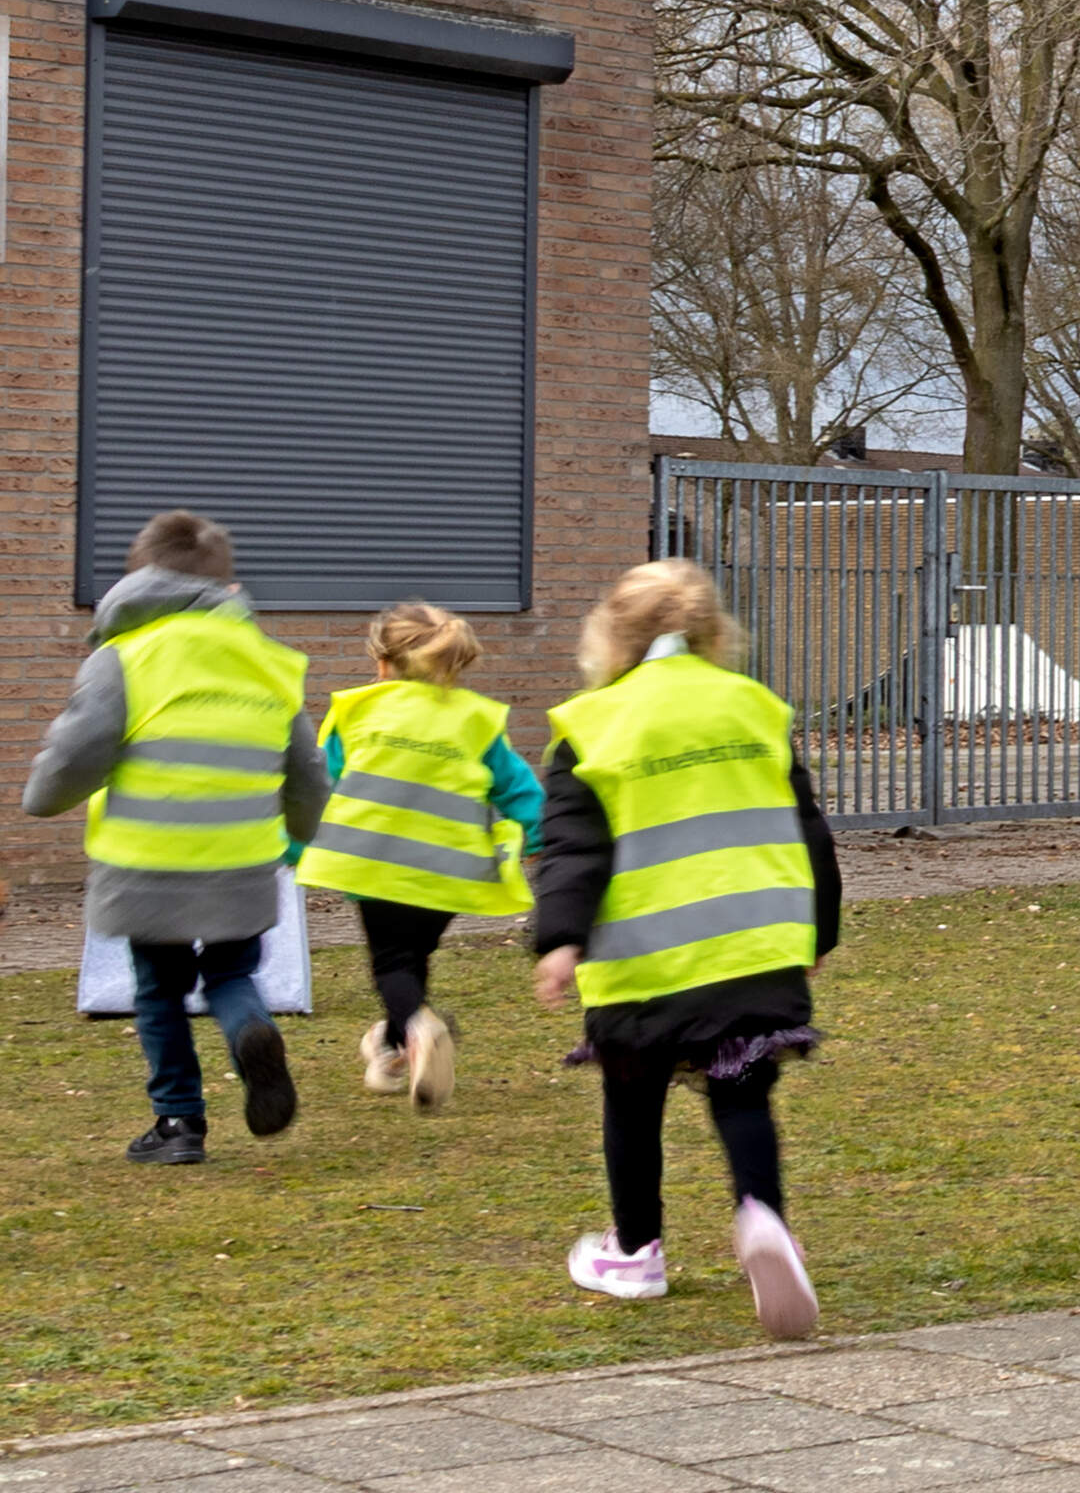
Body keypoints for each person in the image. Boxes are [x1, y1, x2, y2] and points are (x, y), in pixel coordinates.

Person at [529, 560, 839, 1339]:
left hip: (644, 955)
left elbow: (572, 849)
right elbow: (808, 829)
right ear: (712, 633)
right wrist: (818, 928)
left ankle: (635, 1252)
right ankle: (763, 1219)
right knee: (743, 1093)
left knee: (632, 1104)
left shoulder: (594, 723)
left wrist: (560, 940)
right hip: (753, 942)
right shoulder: (754, 707)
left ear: (610, 635)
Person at [24, 511, 322, 1166]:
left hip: (147, 860)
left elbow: (76, 755)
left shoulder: (124, 658)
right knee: (232, 972)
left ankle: (178, 1123)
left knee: (158, 991)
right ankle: (251, 1029)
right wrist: (305, 831)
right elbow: (305, 772)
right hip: (242, 857)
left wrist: (41, 797)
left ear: (140, 580)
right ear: (225, 584)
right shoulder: (268, 664)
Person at [297, 603, 541, 1112]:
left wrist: (294, 846)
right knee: (413, 957)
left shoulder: (357, 711)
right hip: (451, 870)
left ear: (382, 662)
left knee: (392, 964)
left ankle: (416, 1028)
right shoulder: (475, 719)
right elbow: (518, 789)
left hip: (375, 863)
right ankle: (393, 1048)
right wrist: (545, 839)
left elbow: (321, 789)